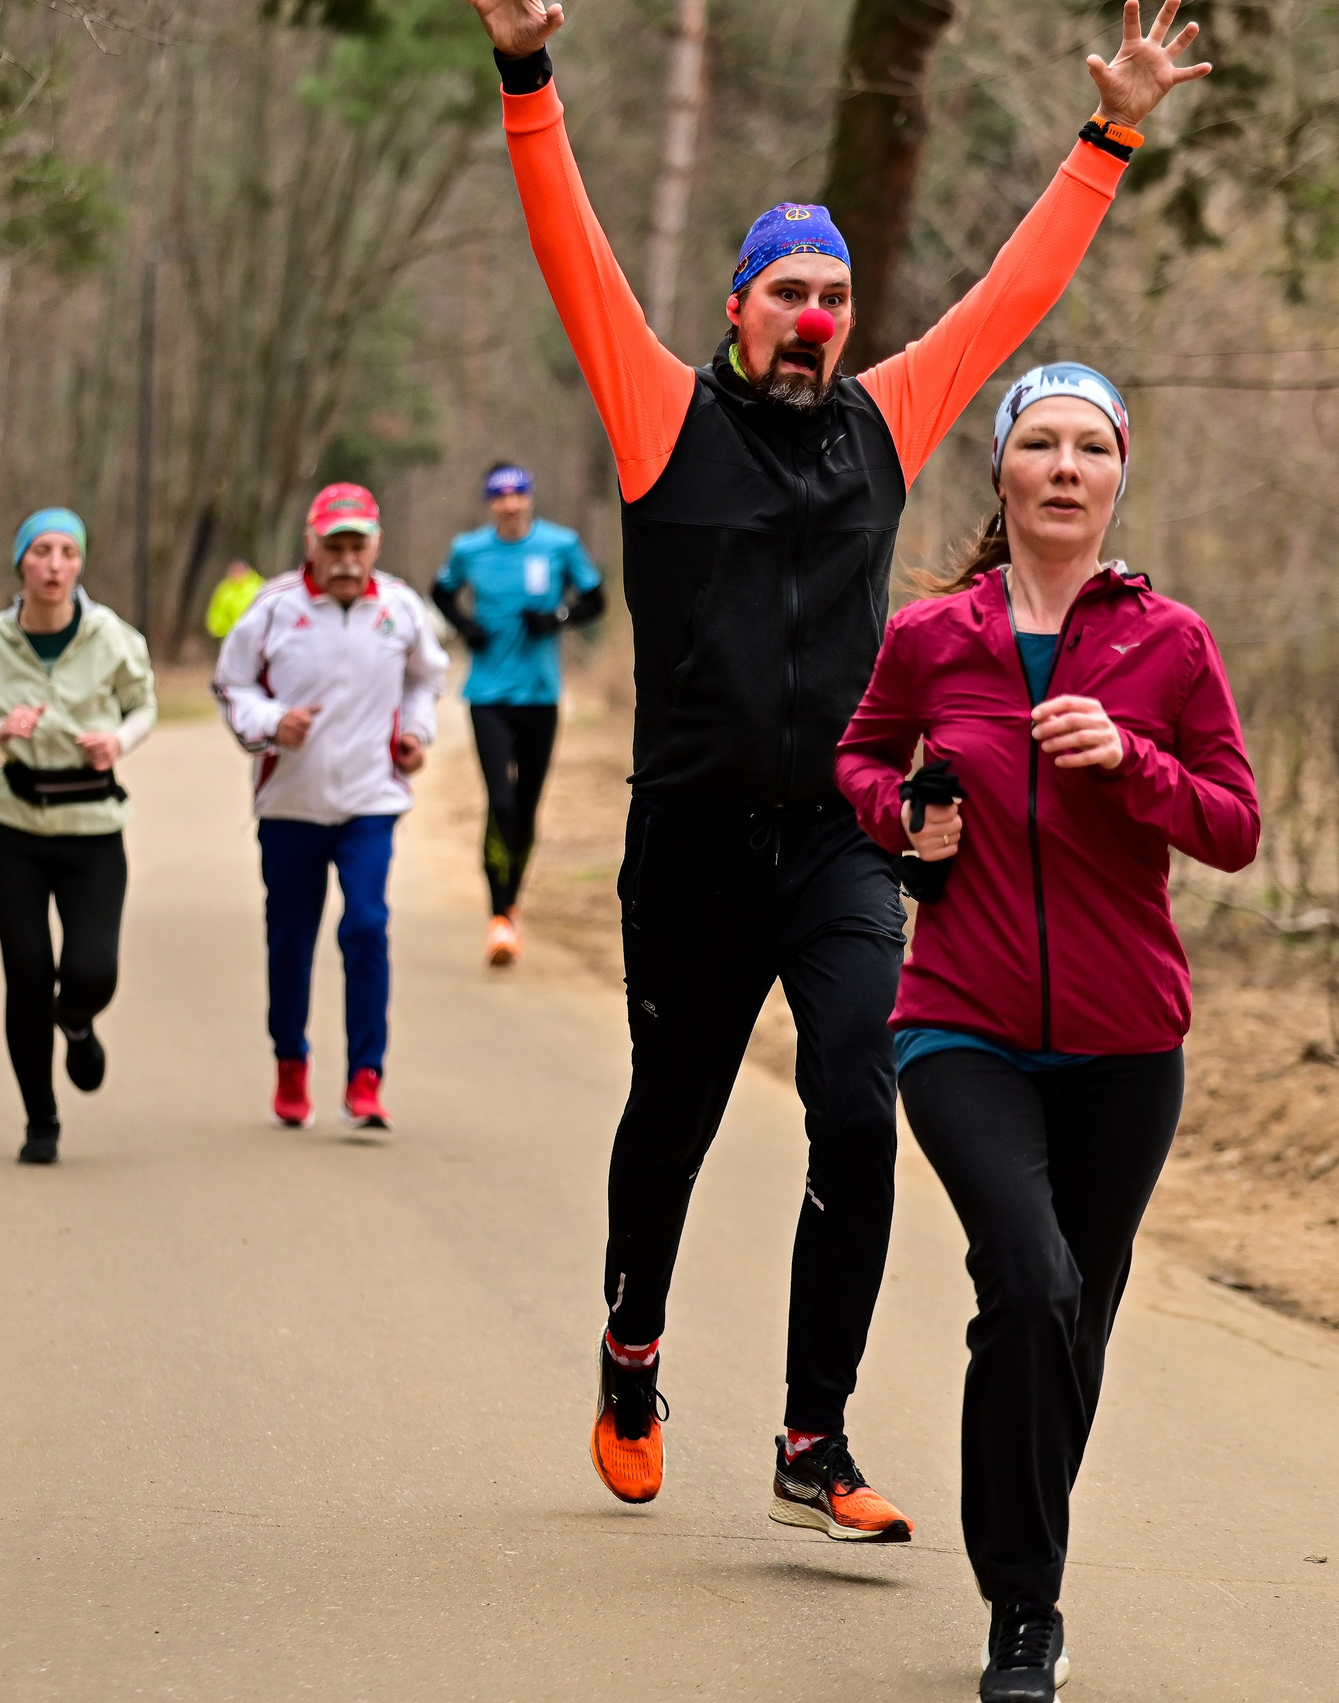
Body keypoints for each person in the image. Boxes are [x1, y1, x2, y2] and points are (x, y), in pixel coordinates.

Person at [458, 0, 1209, 1536]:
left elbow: (1008, 305)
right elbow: (572, 249)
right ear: (739, 308)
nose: (816, 314)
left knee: (859, 1109)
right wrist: (528, 72)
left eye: (836, 293)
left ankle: (814, 1434)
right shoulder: (661, 414)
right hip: (690, 840)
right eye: (788, 291)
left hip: (847, 843)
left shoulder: (884, 420)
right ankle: (632, 1345)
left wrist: (1110, 135)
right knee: (672, 1114)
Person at [835, 365, 1258, 1699]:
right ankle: (1026, 1605)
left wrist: (1133, 765)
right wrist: (902, 814)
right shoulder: (929, 636)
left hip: (1129, 1040)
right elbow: (856, 759)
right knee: (1028, 1277)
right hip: (958, 1018)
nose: (1065, 466)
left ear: (1119, 473)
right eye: (1041, 443)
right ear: (1003, 472)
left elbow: (1234, 824)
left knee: (1073, 1318)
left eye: (1090, 446)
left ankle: (1015, 1532)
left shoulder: (1170, 643)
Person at [216, 483, 447, 1132]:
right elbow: (230, 683)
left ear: (375, 545)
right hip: (290, 802)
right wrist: (271, 722)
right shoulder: (274, 607)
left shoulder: (401, 608)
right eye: (334, 545)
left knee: (367, 925)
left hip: (371, 801)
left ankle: (365, 1076)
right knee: (291, 938)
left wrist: (417, 735)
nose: (347, 558)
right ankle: (291, 1058)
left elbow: (428, 676)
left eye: (358, 545)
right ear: (311, 545)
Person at [0, 509, 157, 1166]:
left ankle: (78, 1019)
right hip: (13, 830)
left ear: (80, 563)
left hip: (93, 828)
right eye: (41, 551)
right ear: (21, 566)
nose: (55, 564)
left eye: (67, 551)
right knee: (27, 973)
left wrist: (119, 739)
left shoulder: (111, 636)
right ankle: (41, 1118)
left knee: (92, 970)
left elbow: (143, 704)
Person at [429, 462, 606, 965]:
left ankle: (513, 901)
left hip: (541, 695)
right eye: (499, 496)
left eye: (517, 495)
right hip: (486, 693)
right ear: (490, 503)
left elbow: (595, 599)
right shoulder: (469, 550)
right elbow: (440, 591)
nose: (509, 504)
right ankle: (499, 915)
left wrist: (558, 617)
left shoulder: (560, 544)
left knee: (526, 807)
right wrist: (465, 625)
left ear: (529, 498)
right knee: (500, 801)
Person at [205, 557, 264, 640]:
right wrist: (221, 631)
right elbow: (217, 613)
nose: (236, 576)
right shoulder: (225, 589)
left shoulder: (260, 587)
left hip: (256, 636)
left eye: (239, 571)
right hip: (232, 637)